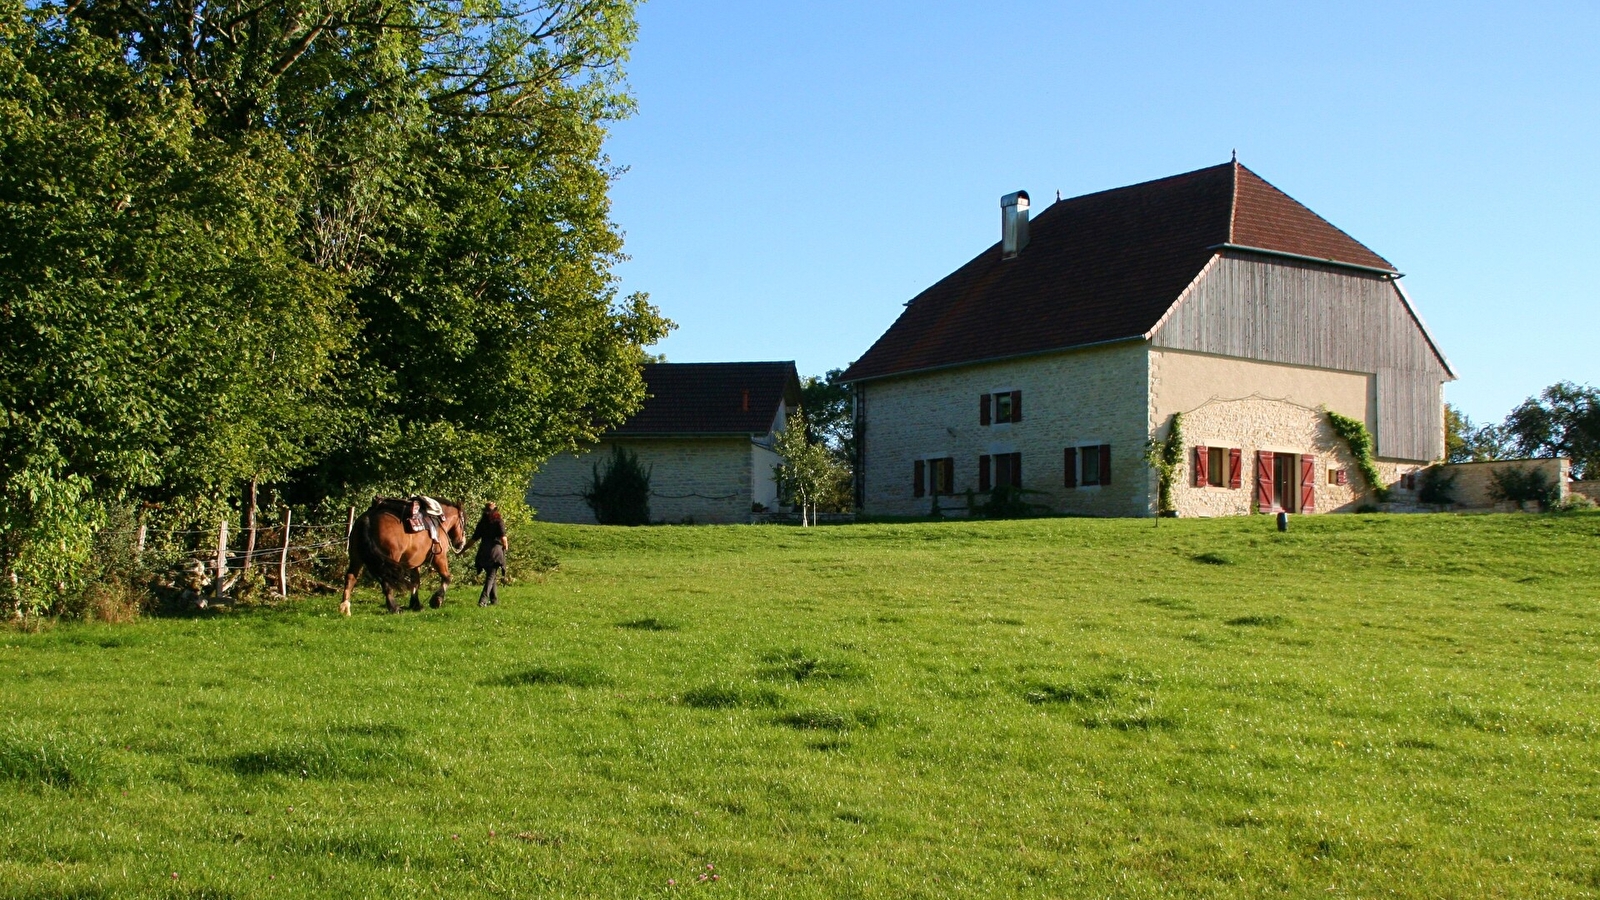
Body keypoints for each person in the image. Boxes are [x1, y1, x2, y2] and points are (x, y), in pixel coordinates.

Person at [464, 502, 508, 606]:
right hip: (495, 552)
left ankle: (494, 600)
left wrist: (463, 549)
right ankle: (483, 600)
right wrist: (505, 546)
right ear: (495, 511)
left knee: (491, 575)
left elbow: (473, 539)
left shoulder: (482, 523)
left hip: (483, 552)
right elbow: (503, 537)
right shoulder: (498, 521)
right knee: (491, 576)